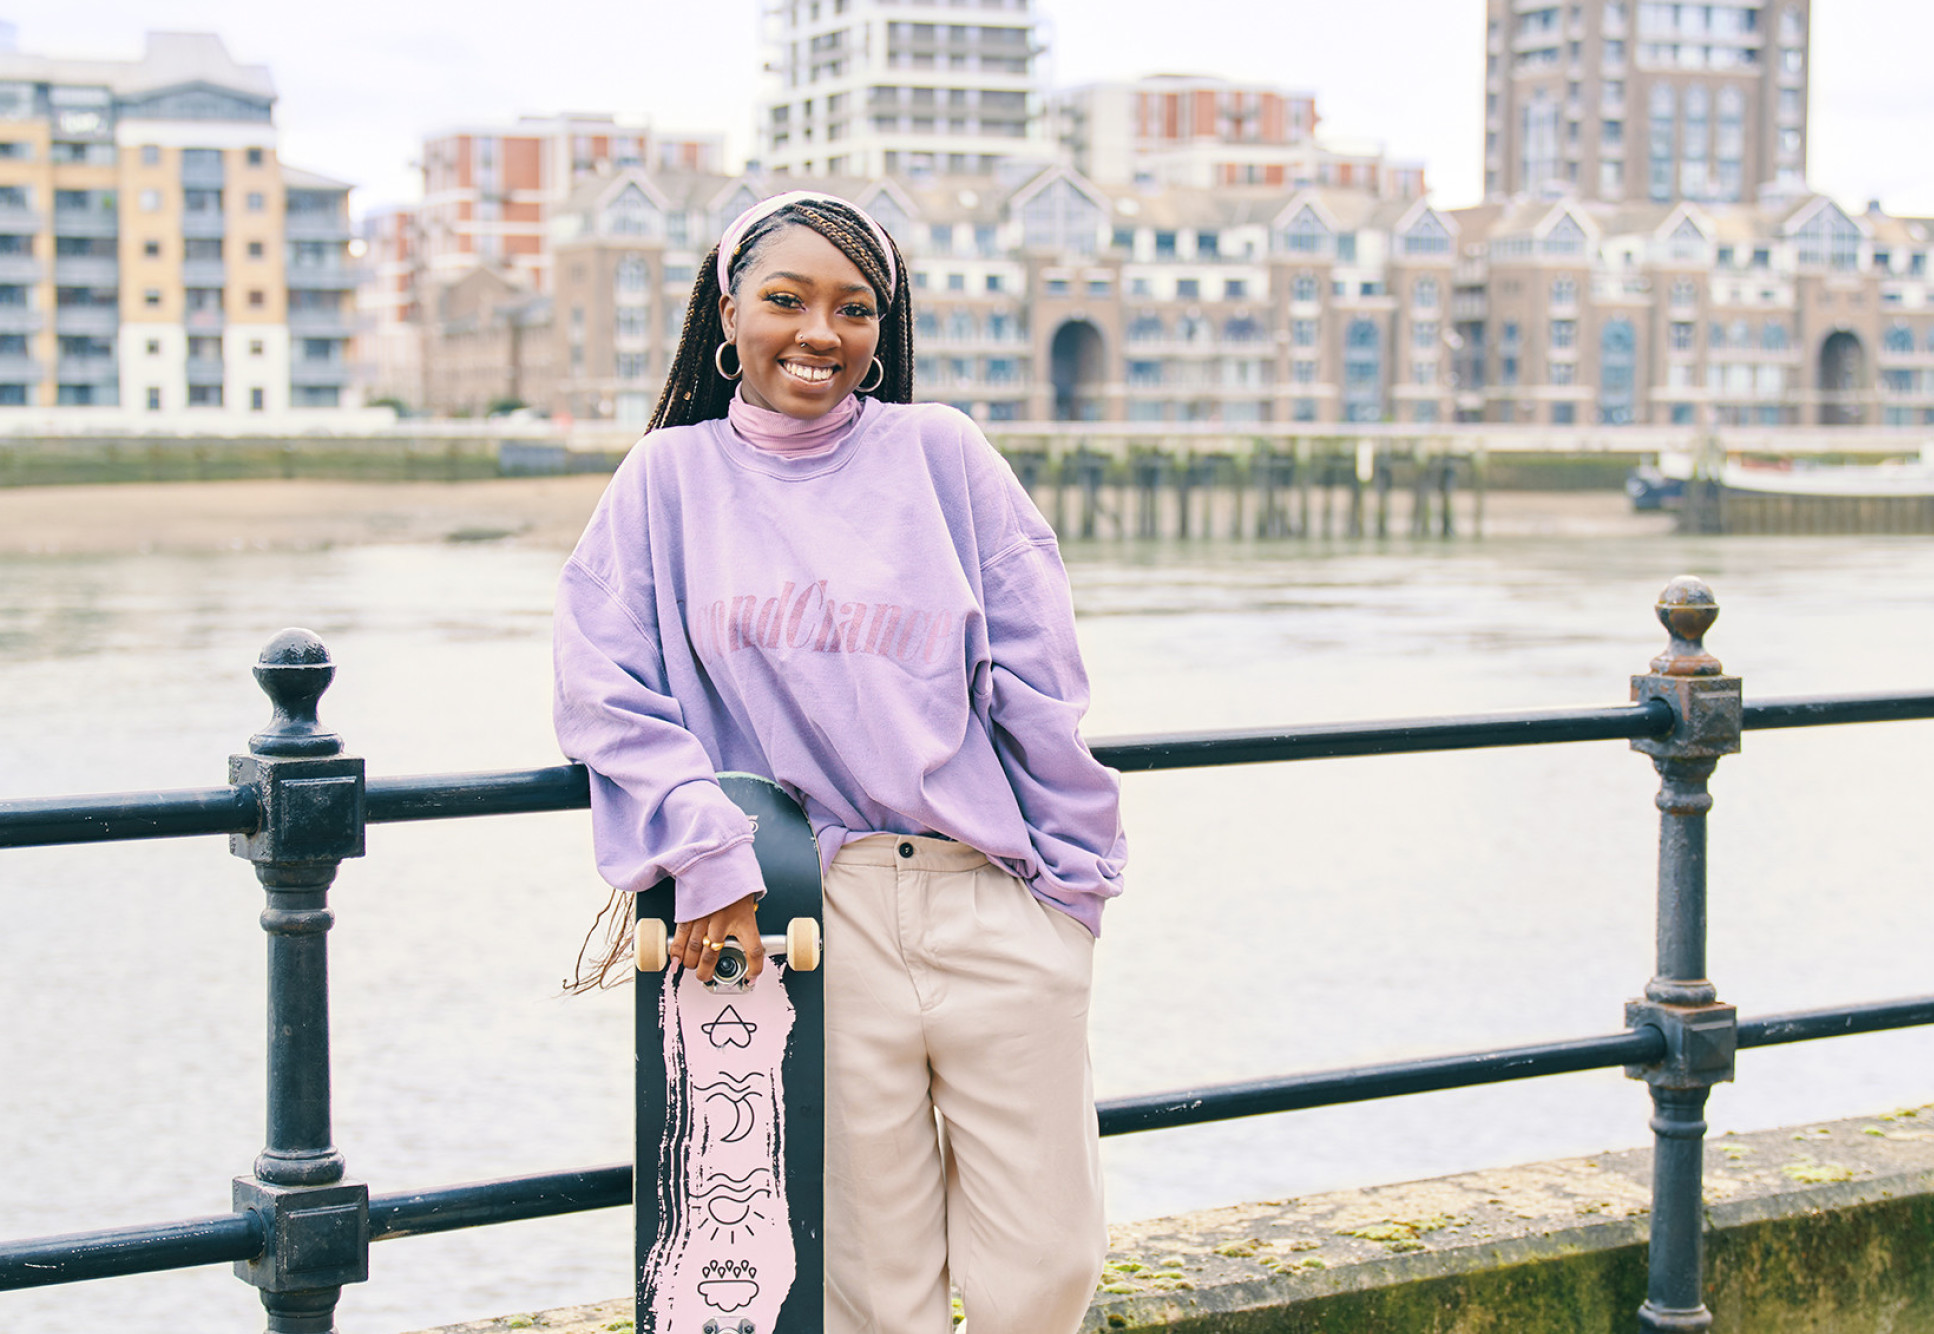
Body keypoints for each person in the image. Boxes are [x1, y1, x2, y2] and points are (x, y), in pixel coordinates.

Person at [552, 190, 1126, 1334]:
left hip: (991, 897)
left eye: (854, 308)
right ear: (728, 312)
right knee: (875, 1285)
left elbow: (1039, 672)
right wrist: (706, 849)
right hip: (815, 917)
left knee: (1049, 1263)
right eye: (786, 299)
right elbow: (599, 687)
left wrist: (1073, 888)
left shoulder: (941, 453)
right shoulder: (667, 481)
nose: (820, 332)